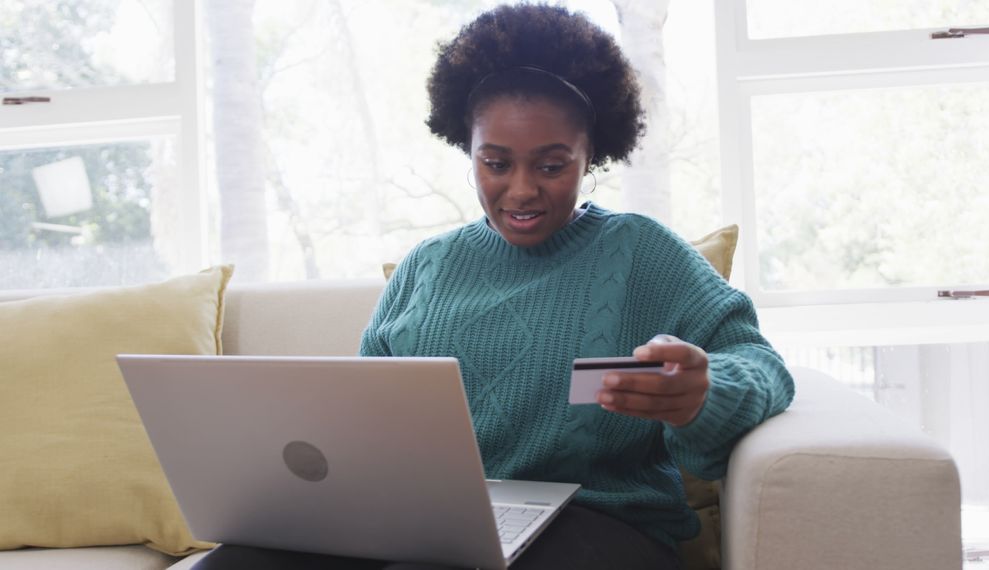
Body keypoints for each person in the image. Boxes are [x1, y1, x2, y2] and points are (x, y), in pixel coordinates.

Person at [194, 4, 793, 569]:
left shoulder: (642, 253)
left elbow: (762, 366)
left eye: (552, 165)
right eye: (497, 163)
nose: (523, 189)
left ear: (593, 154)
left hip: (601, 525)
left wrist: (703, 393)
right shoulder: (426, 266)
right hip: (428, 523)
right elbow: (360, 420)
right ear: (469, 150)